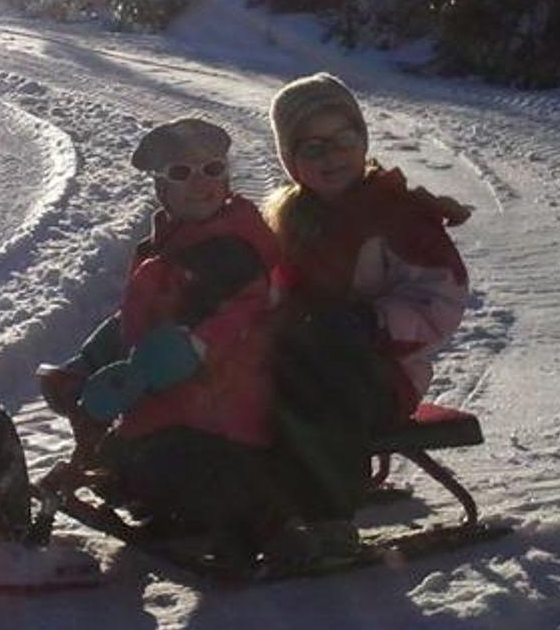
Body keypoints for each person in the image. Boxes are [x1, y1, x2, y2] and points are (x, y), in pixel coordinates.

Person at [38, 117, 287, 560]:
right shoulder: (167, 246)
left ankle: (247, 518)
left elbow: (246, 312)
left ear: (226, 178)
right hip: (175, 397)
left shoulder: (233, 246)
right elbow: (135, 321)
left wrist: (186, 350)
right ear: (160, 187)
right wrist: (88, 364)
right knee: (123, 466)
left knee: (164, 468)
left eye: (212, 169)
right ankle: (169, 497)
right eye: (181, 172)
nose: (201, 182)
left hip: (228, 402)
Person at [263, 72, 472, 550]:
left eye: (343, 139)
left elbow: (441, 296)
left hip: (384, 371)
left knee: (323, 391)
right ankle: (257, 496)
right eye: (313, 147)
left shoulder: (398, 215)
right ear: (291, 160)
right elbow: (270, 290)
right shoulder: (290, 219)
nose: (332, 156)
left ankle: (328, 518)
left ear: (363, 140)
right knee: (257, 382)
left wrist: (374, 321)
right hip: (306, 354)